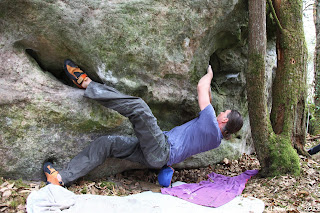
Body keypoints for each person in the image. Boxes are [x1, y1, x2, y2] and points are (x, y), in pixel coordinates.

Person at [43, 59, 243, 187]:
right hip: (157, 157)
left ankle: (88, 84)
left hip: (161, 149)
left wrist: (209, 75)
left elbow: (202, 88)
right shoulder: (215, 138)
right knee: (108, 143)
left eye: (224, 112)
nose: (220, 111)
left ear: (224, 119)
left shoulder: (210, 124)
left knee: (139, 107)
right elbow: (208, 100)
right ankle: (61, 179)